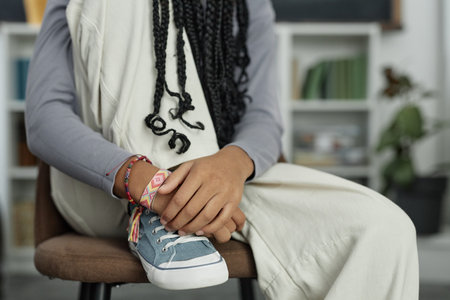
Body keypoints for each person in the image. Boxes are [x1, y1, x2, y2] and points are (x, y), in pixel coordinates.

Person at [25, 0, 420, 298]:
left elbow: (263, 117)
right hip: (108, 189)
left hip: (219, 183)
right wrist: (148, 182)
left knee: (383, 229)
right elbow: (44, 121)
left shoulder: (250, 5)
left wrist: (233, 164)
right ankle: (160, 210)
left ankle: (184, 203)